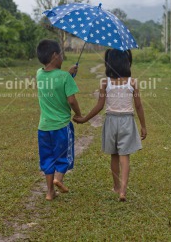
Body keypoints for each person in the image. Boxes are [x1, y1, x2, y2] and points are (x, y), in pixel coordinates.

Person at [74, 49, 147, 202]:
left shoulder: (105, 82)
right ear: (127, 63)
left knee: (114, 155)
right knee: (124, 156)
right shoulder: (132, 82)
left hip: (111, 121)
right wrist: (143, 126)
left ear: (108, 64)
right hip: (127, 121)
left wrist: (84, 119)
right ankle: (124, 191)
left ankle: (116, 187)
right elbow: (139, 106)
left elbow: (99, 106)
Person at [36, 39, 81, 201]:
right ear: (55, 56)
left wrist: (68, 74)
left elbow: (54, 82)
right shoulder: (64, 78)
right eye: (61, 54)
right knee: (64, 155)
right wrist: (79, 114)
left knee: (47, 158)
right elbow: (71, 100)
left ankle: (49, 192)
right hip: (62, 126)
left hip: (44, 127)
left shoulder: (39, 74)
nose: (63, 57)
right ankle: (59, 179)